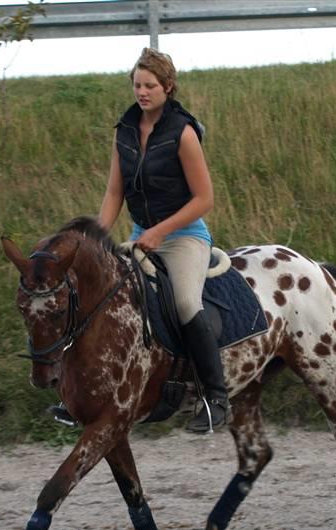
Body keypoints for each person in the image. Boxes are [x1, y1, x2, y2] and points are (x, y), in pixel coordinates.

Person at [52, 47, 230, 433]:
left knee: (184, 303)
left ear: (168, 86)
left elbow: (205, 199)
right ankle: (81, 396)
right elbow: (115, 193)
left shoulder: (183, 133)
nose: (142, 92)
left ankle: (215, 397)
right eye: (137, 84)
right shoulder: (126, 132)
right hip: (139, 237)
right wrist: (95, 238)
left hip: (183, 238)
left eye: (150, 85)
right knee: (97, 299)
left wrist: (160, 232)